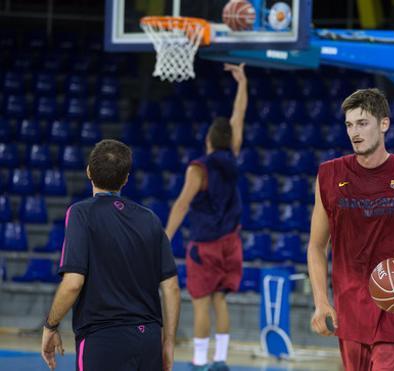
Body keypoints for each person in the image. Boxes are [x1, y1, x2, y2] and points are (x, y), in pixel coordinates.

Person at [307, 88, 394, 371]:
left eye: (362, 123)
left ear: (384, 124)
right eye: (349, 124)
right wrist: (321, 302)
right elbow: (316, 247)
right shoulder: (329, 175)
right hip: (351, 310)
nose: (354, 132)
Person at [41, 139, 181, 371]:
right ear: (126, 178)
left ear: (88, 171)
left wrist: (50, 325)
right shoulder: (150, 219)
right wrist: (168, 342)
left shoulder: (80, 214)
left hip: (103, 340)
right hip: (149, 341)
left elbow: (73, 283)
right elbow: (171, 287)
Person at [164, 63, 247, 371]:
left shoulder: (198, 168)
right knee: (220, 301)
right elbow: (238, 118)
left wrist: (165, 237)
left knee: (200, 302)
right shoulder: (232, 155)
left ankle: (199, 363)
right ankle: (221, 360)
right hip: (231, 242)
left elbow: (182, 204)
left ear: (208, 140)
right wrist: (242, 83)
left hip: (206, 244)